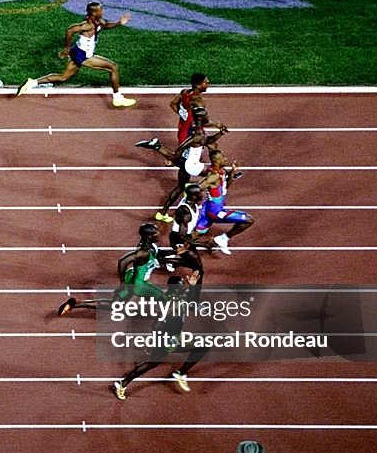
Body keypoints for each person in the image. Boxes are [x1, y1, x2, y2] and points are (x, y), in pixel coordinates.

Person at [16, 1, 135, 108]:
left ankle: (32, 82)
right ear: (94, 13)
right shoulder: (88, 25)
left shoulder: (98, 21)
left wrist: (119, 23)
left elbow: (105, 26)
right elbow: (70, 30)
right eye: (100, 10)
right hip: (83, 55)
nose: (102, 11)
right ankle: (118, 98)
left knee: (63, 77)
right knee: (113, 67)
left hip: (77, 51)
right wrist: (67, 48)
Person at [111, 270, 209, 399]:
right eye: (181, 286)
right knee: (152, 363)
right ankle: (121, 383)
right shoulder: (171, 303)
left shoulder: (176, 296)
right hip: (169, 340)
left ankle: (181, 373)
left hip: (175, 337)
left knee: (202, 347)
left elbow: (189, 301)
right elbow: (157, 324)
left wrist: (192, 286)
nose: (183, 287)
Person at [57, 222, 175, 316]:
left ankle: (76, 303)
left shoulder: (151, 246)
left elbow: (158, 255)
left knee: (114, 305)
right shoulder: (142, 252)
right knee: (164, 297)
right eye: (155, 233)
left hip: (133, 277)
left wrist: (176, 251)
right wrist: (122, 282)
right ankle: (168, 323)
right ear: (149, 236)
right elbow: (122, 261)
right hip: (138, 284)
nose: (159, 234)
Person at [134, 107, 228, 223]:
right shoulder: (197, 134)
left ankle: (162, 213)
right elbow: (187, 145)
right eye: (206, 115)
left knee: (180, 187)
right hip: (192, 165)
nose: (208, 117)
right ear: (200, 118)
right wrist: (175, 158)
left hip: (189, 162)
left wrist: (220, 133)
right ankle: (158, 148)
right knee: (215, 172)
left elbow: (206, 140)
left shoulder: (198, 127)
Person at [195, 149, 255, 255]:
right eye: (222, 157)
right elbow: (198, 187)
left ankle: (174, 255)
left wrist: (233, 171)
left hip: (208, 209)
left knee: (192, 237)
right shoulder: (213, 175)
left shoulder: (221, 171)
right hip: (216, 213)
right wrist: (192, 200)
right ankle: (222, 239)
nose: (225, 158)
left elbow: (225, 186)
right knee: (249, 220)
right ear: (216, 161)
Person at [169, 73, 225, 145]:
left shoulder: (185, 92)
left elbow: (173, 104)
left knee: (213, 145)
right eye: (205, 83)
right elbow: (204, 122)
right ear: (197, 85)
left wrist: (184, 115)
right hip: (191, 133)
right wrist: (217, 124)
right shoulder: (199, 101)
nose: (207, 84)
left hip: (183, 129)